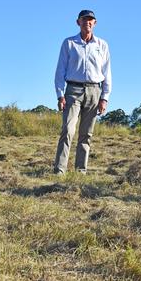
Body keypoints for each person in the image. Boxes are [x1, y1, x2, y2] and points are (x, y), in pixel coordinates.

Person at [53, 10, 111, 174]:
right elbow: (59, 71)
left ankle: (81, 170)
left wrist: (104, 98)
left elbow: (107, 74)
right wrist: (60, 94)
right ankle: (60, 169)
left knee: (86, 134)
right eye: (84, 20)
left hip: (94, 91)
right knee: (68, 130)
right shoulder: (69, 43)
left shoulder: (102, 45)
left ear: (95, 23)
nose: (88, 22)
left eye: (91, 20)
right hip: (73, 90)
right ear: (78, 22)